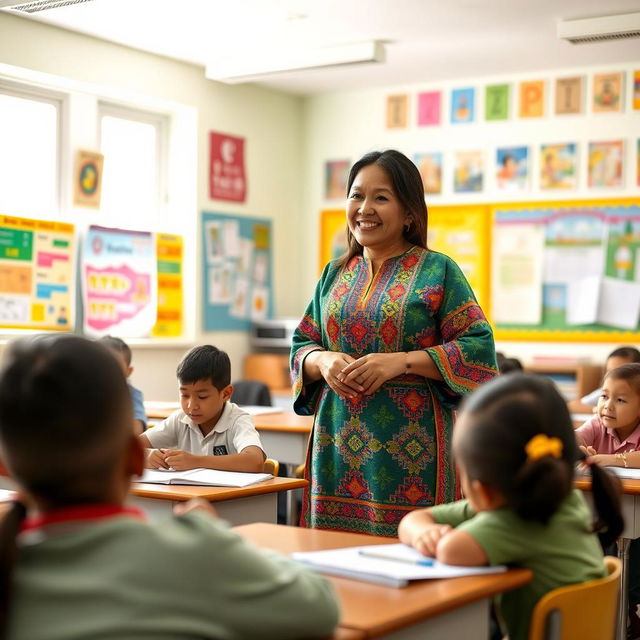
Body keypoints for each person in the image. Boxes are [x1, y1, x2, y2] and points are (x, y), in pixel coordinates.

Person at [0, 335, 340, 640]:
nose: (191, 404)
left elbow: (253, 458)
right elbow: (320, 608)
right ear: (134, 460)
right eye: (185, 395)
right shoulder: (192, 551)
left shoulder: (13, 566)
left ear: (6, 466)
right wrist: (217, 540)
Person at [291, 149, 498, 537]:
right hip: (336, 441)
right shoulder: (334, 273)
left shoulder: (439, 270)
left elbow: (478, 348)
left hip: (414, 448)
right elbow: (303, 341)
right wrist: (323, 360)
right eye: (356, 195)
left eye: (380, 197)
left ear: (408, 213)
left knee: (415, 558)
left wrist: (400, 362)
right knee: (333, 560)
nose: (364, 208)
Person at [398, 373, 623, 640]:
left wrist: (432, 536)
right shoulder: (563, 499)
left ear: (482, 488)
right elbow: (414, 520)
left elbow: (452, 550)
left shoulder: (514, 522)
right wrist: (423, 531)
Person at [576, 363, 640, 639]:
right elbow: (572, 438)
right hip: (604, 512)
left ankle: (627, 610)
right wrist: (576, 448)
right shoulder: (597, 425)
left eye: (620, 400)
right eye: (604, 396)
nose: (608, 406)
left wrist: (612, 459)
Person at [140, 345, 265, 472]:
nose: (191, 406)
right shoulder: (180, 419)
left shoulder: (237, 421)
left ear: (226, 394)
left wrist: (196, 461)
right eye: (185, 395)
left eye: (202, 396)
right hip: (189, 491)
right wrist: (146, 456)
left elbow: (255, 461)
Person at [99, 335, 147, 435]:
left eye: (115, 369)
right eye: (100, 366)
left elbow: (136, 430)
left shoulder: (131, 395)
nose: (107, 373)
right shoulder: (84, 391)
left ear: (128, 371)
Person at [570, 346, 640, 413]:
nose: (613, 377)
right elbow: (572, 405)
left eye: (621, 373)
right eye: (609, 371)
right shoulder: (605, 392)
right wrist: (597, 409)